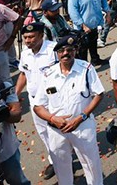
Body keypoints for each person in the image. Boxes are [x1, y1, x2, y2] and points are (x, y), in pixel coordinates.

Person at [32, 35, 105, 185]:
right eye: (62, 51)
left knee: (91, 165)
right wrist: (53, 119)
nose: (66, 53)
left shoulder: (86, 69)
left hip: (82, 127)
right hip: (57, 131)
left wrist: (81, 117)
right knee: (61, 167)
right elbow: (38, 106)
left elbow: (99, 94)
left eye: (69, 50)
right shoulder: (48, 74)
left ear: (75, 51)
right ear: (57, 54)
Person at [12, 22, 57, 180]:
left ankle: (65, 159)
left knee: (60, 132)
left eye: (31, 37)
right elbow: (23, 74)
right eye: (25, 37)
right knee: (44, 133)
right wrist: (15, 94)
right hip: (35, 101)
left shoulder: (54, 50)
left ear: (41, 35)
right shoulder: (25, 53)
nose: (28, 40)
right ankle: (55, 160)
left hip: (54, 100)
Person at [67, 0, 110, 66]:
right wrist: (83, 26)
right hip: (82, 27)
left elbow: (104, 0)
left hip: (94, 23)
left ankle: (95, 60)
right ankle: (84, 67)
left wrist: (108, 13)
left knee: (93, 44)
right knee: (82, 49)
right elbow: (73, 12)